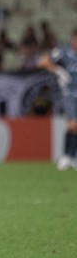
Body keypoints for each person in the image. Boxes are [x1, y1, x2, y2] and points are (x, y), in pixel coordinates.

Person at [38, 29, 77, 170]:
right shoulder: (63, 52)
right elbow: (42, 61)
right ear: (73, 39)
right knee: (72, 125)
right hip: (69, 94)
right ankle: (66, 156)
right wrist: (57, 70)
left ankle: (72, 157)